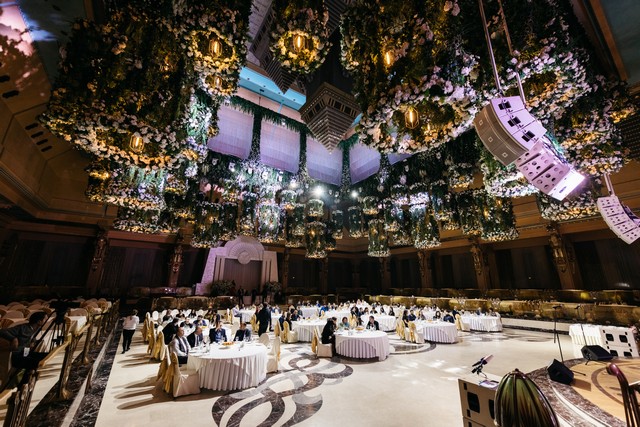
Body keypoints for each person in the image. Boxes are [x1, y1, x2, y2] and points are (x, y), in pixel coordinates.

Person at [0, 312, 48, 378]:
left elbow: (30, 337)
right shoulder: (23, 328)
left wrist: (33, 341)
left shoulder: (35, 329)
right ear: (39, 322)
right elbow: (2, 331)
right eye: (45, 319)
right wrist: (13, 338)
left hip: (25, 353)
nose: (47, 321)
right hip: (16, 356)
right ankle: (25, 382)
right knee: (36, 362)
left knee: (46, 356)